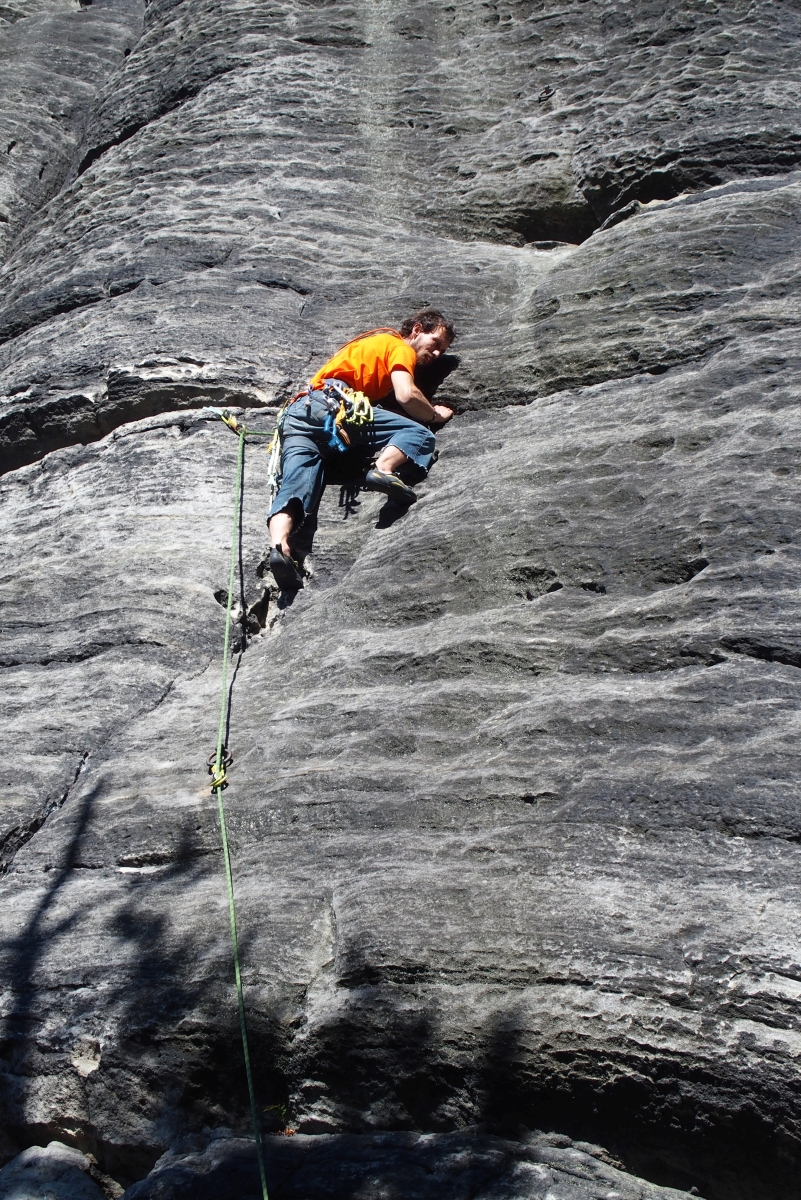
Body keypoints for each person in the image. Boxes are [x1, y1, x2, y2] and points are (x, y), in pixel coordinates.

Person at [267, 308, 456, 590]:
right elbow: (406, 394)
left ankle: (279, 547)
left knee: (295, 487)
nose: (438, 353)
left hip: (298, 414)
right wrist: (434, 415)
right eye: (436, 343)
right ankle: (384, 468)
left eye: (443, 350)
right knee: (417, 433)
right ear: (416, 330)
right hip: (336, 406)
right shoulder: (396, 345)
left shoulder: (365, 346)